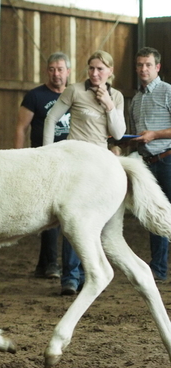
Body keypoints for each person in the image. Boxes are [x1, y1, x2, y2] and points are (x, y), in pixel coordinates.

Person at [43, 50, 126, 295]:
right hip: (76, 163)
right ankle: (70, 277)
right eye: (91, 68)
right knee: (74, 217)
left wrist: (109, 105)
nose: (95, 73)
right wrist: (48, 153)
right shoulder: (75, 91)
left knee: (91, 221)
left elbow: (119, 134)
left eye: (100, 69)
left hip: (100, 165)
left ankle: (89, 275)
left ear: (110, 71)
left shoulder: (117, 96)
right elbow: (51, 117)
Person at [14, 52, 71, 279]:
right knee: (50, 213)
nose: (56, 74)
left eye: (60, 69)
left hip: (69, 162)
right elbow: (21, 128)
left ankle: (43, 264)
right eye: (52, 69)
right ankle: (51, 264)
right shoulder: (35, 96)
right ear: (47, 71)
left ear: (67, 71)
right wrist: (18, 159)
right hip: (42, 161)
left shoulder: (74, 94)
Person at [129, 47, 171, 282]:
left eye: (147, 64)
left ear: (157, 67)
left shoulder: (167, 92)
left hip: (167, 159)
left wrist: (154, 135)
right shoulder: (135, 99)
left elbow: (152, 134)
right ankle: (158, 268)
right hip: (147, 163)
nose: (143, 69)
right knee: (155, 215)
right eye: (139, 65)